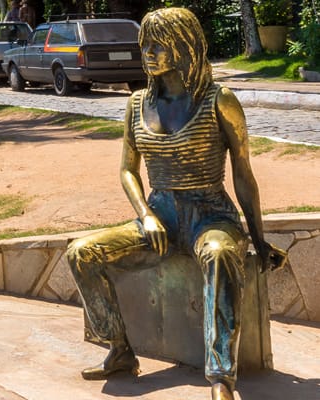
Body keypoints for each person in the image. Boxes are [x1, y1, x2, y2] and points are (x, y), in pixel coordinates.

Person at [65, 8, 287, 400]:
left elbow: (243, 176)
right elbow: (127, 171)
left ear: (183, 46)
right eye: (145, 44)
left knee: (219, 255)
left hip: (211, 214)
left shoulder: (220, 100)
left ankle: (221, 376)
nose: (148, 52)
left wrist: (258, 238)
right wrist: (146, 216)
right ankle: (118, 350)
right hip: (161, 214)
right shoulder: (136, 104)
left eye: (158, 44)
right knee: (82, 253)